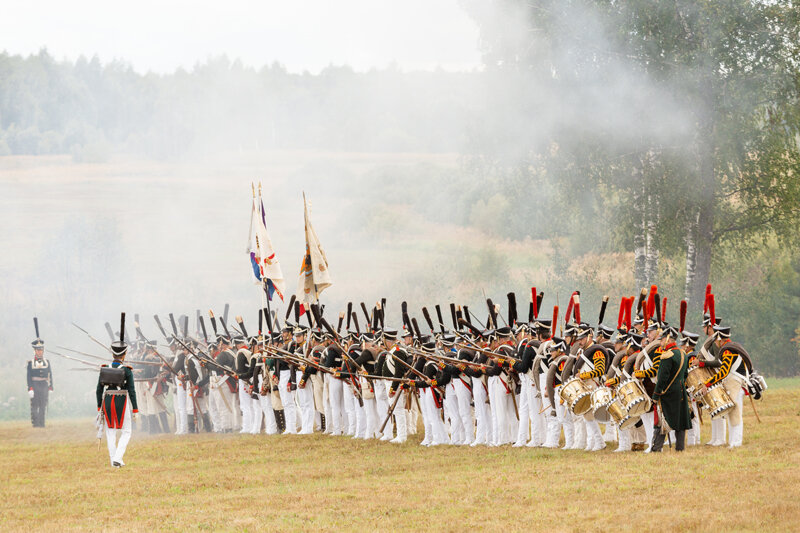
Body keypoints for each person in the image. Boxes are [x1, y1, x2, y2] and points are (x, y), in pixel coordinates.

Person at [96, 319, 138, 468]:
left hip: (107, 400)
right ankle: (118, 458)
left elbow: (99, 389)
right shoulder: (127, 370)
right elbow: (131, 390)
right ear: (124, 354)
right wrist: (135, 409)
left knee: (111, 432)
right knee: (126, 431)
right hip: (122, 400)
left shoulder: (104, 367)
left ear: (113, 353)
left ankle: (114, 461)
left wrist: (99, 406)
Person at [650, 326, 691, 452]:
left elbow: (661, 379)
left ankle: (656, 448)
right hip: (681, 391)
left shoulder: (667, 356)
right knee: (680, 420)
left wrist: (655, 396)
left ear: (667, 339)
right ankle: (680, 448)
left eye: (662, 340)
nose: (661, 343)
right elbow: (685, 375)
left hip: (667, 393)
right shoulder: (683, 354)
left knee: (662, 421)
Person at [27, 330, 52, 428]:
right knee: (34, 405)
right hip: (35, 385)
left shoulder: (47, 362)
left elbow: (50, 374)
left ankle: (42, 424)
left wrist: (51, 386)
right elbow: (28, 377)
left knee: (43, 405)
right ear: (35, 351)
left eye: (41, 350)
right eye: (38, 350)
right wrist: (30, 388)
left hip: (44, 385)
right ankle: (35, 424)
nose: (39, 352)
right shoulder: (30, 363)